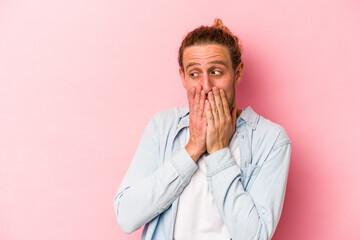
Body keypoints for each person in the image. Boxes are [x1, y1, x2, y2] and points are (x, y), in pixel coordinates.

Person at [114, 18, 291, 240]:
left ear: (237, 73)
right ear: (183, 78)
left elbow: (254, 236)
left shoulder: (271, 140)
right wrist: (192, 149)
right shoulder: (162, 126)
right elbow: (126, 216)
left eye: (216, 72)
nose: (206, 87)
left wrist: (218, 151)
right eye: (194, 74)